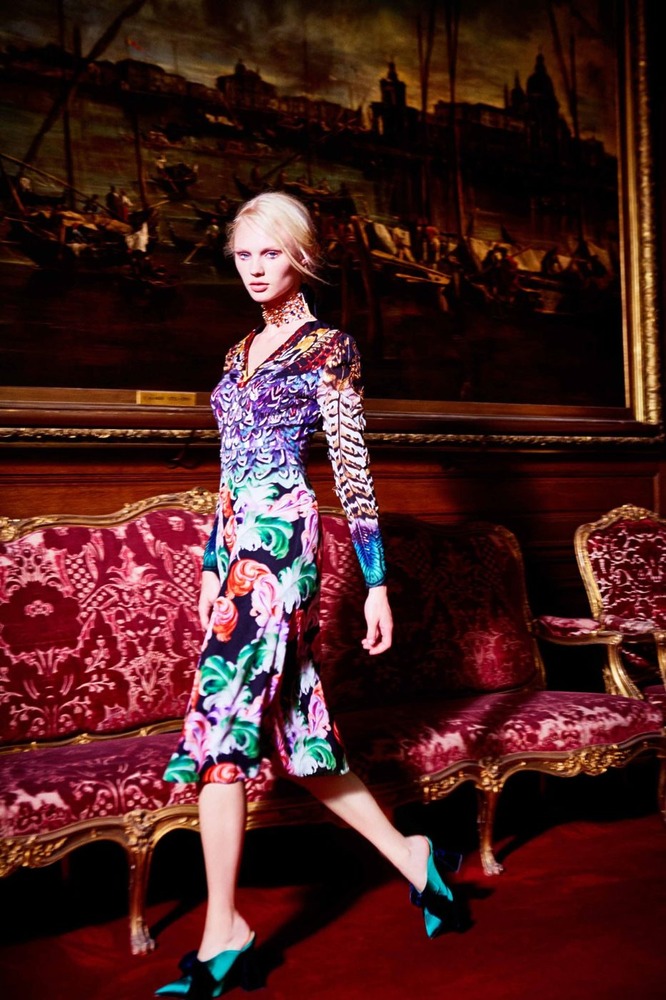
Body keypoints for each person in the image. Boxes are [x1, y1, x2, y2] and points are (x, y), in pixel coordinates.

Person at [156, 191, 459, 998]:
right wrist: (211, 563)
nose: (256, 270)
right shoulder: (236, 353)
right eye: (244, 255)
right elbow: (228, 473)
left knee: (220, 722)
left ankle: (224, 931)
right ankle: (413, 857)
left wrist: (376, 583)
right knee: (298, 732)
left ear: (302, 258)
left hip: (283, 544)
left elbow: (353, 470)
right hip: (237, 545)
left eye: (272, 254)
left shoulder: (330, 348)